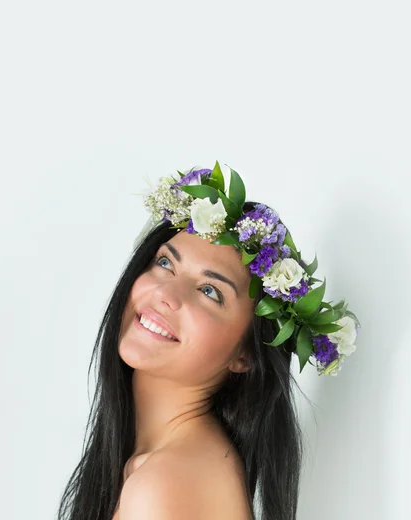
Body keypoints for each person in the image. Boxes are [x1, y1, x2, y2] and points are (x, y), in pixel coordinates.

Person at [57, 162, 359, 520]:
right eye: (165, 263)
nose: (167, 294)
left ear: (245, 354)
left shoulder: (165, 484)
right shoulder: (176, 464)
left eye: (209, 291)